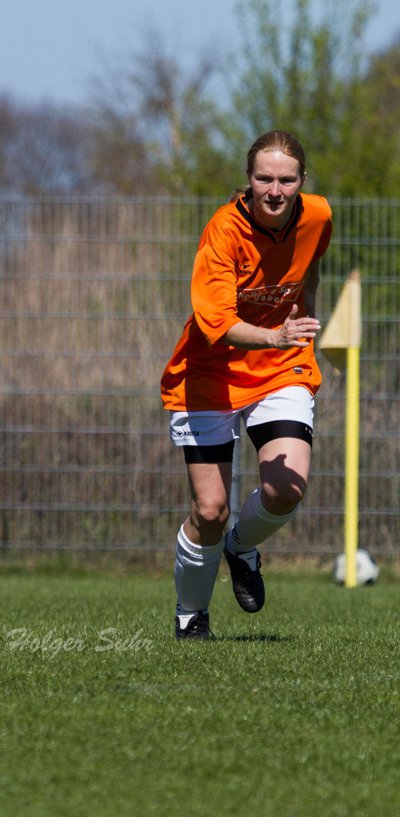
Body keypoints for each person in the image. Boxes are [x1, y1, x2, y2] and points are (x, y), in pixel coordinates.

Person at [160, 130, 332, 640]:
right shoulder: (222, 231)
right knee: (210, 510)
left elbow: (311, 270)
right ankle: (191, 616)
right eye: (264, 178)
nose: (274, 190)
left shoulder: (318, 216)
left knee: (286, 488)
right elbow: (216, 322)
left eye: (286, 179)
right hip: (210, 372)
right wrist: (275, 334)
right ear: (248, 180)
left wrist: (304, 328)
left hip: (281, 366)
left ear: (302, 181)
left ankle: (241, 547)